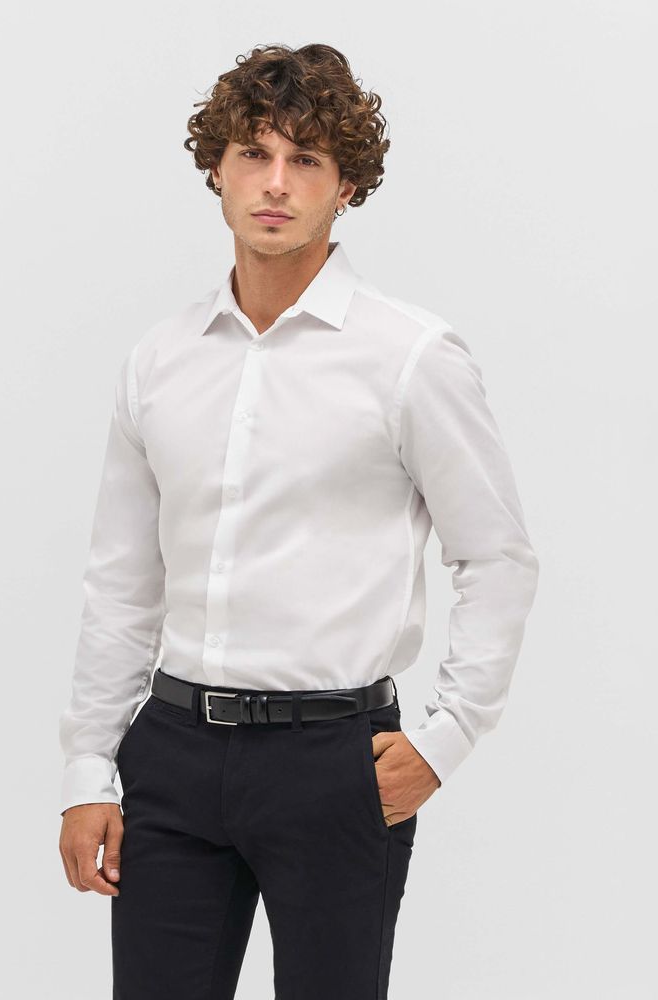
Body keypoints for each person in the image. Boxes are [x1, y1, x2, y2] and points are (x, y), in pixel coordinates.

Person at [58, 41, 539, 999]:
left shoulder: (410, 358)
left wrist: (443, 742)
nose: (275, 183)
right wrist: (87, 770)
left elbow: (497, 558)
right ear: (217, 169)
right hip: (173, 754)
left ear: (345, 185)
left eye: (306, 159)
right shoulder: (159, 363)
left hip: (335, 763)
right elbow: (122, 583)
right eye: (254, 153)